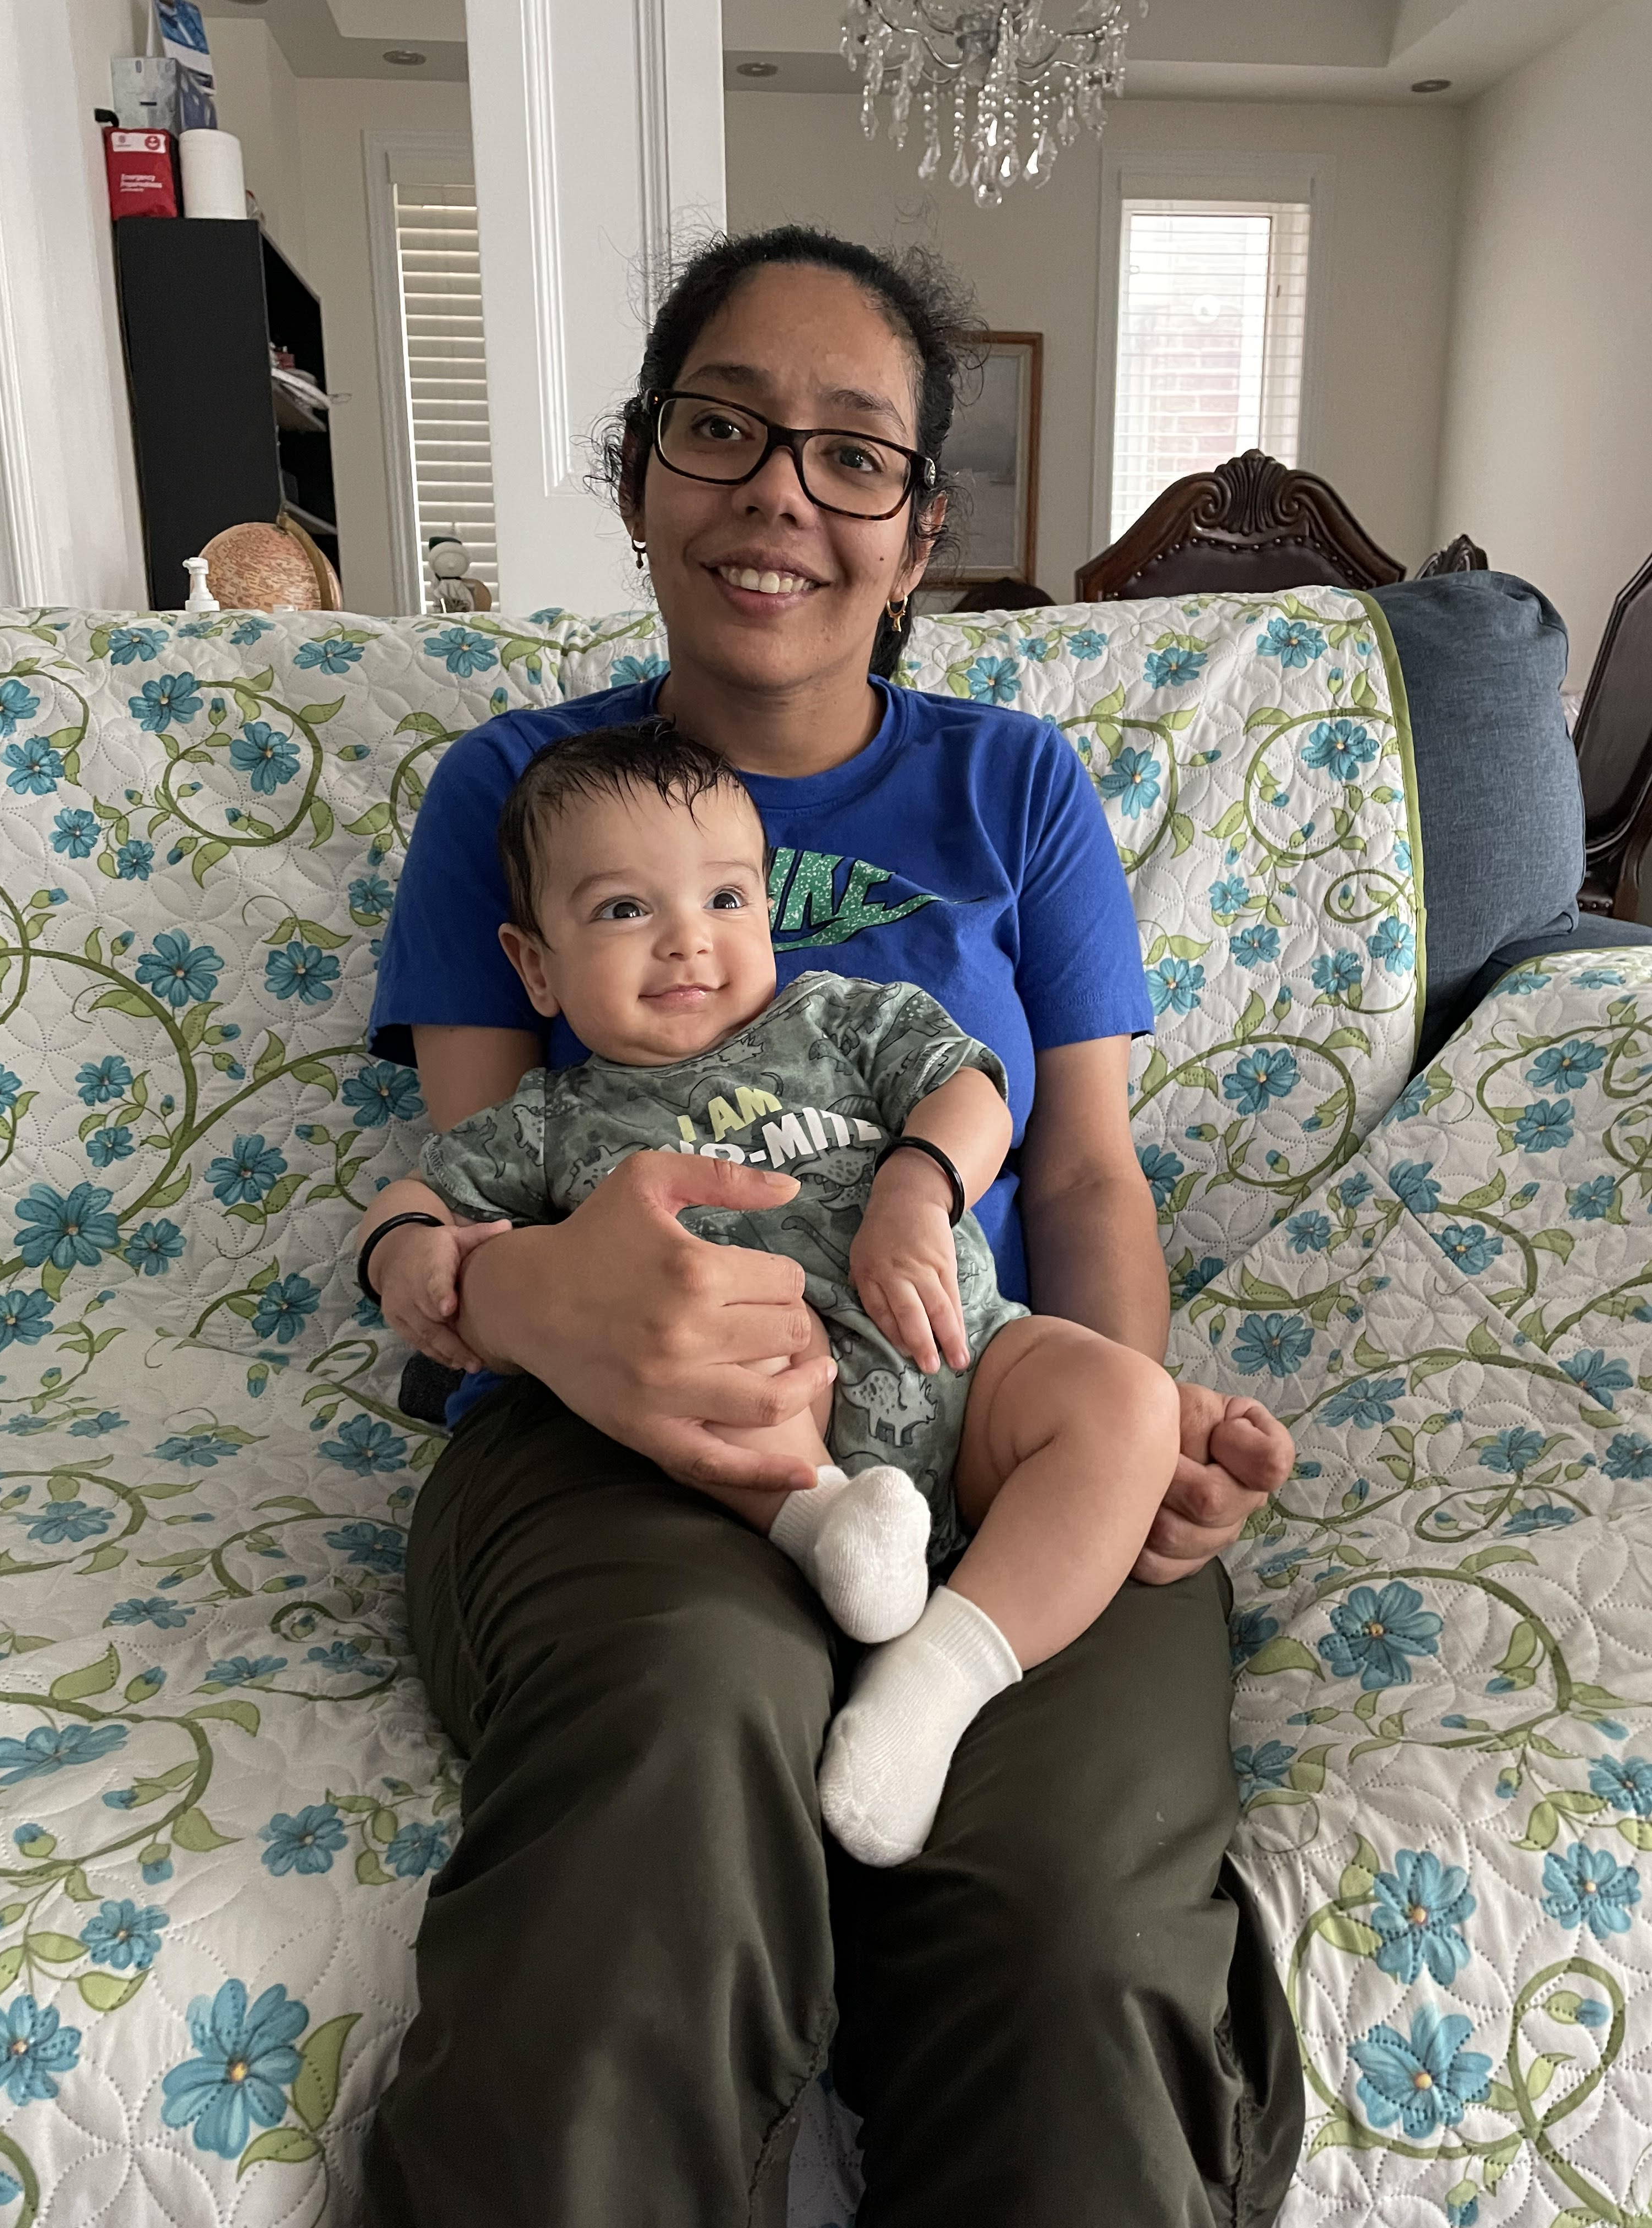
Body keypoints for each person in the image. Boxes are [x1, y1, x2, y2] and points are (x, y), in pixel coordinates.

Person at [360, 225, 1306, 2226]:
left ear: (918, 525)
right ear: (639, 477)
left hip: (967, 1415)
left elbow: (1078, 1172)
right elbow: (479, 1173)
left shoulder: (1014, 790)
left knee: (1071, 1934)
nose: (782, 487)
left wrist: (1122, 1433)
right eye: (722, 427)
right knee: (674, 1764)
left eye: (852, 452)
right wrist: (522, 1298)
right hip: (613, 1439)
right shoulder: (511, 791)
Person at [359, 719, 1198, 1868]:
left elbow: (973, 1091)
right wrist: (405, 1250)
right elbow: (421, 1195)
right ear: (535, 967)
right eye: (623, 911)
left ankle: (936, 1681)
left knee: (1130, 1407)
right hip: (762, 1443)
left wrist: (917, 1185)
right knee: (705, 1400)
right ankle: (824, 1526)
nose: (686, 944)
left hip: (961, 1364)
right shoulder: (554, 1121)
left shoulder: (840, 1018)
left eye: (725, 901)